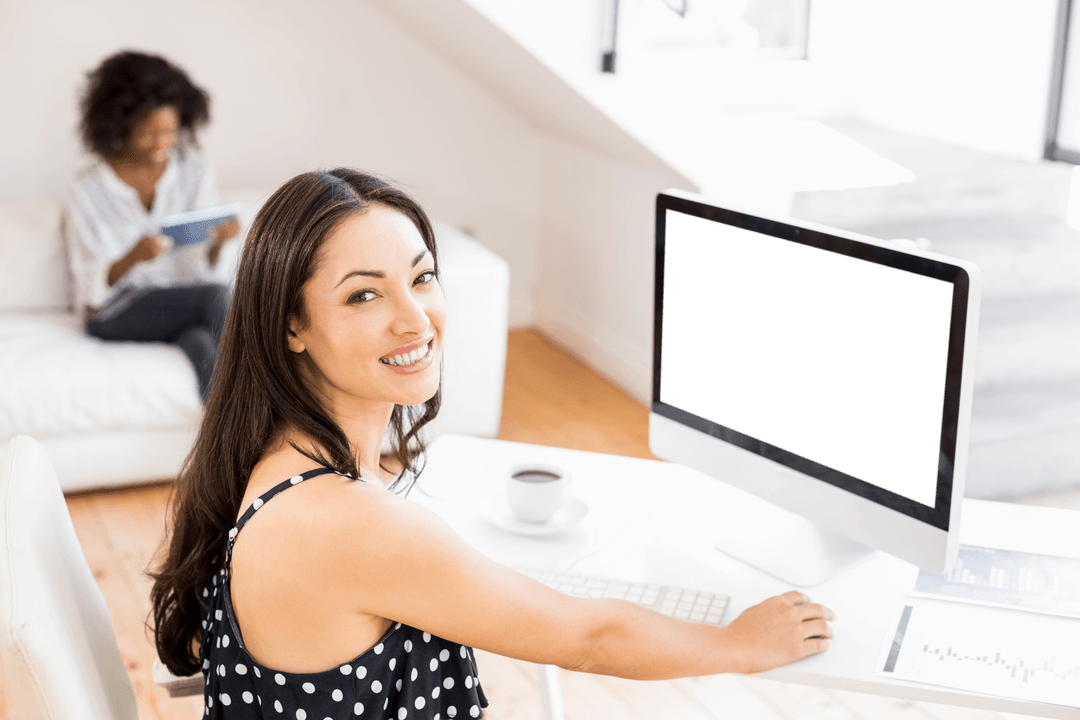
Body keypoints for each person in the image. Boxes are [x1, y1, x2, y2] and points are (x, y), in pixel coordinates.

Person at [149, 169, 834, 719]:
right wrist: (738, 644)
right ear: (290, 325)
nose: (415, 319)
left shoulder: (275, 461)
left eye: (421, 278)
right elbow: (591, 640)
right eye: (363, 296)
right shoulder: (346, 522)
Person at [64, 50, 240, 398]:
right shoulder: (88, 187)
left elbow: (199, 271)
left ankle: (226, 430)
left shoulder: (194, 173)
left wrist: (219, 242)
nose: (161, 143)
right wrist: (133, 257)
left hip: (177, 303)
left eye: (170, 131)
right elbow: (89, 288)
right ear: (120, 125)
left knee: (200, 344)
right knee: (215, 298)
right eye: (147, 132)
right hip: (114, 311)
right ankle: (271, 403)